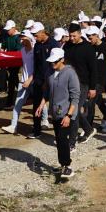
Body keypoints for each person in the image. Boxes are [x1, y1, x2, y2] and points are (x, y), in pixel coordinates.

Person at [36, 49, 78, 180]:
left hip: (66, 113)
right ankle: (62, 164)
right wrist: (42, 104)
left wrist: (69, 116)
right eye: (51, 61)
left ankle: (67, 166)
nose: (52, 64)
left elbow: (75, 97)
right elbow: (47, 92)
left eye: (55, 61)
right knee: (59, 140)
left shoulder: (70, 73)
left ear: (62, 60)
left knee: (62, 139)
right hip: (55, 112)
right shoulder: (50, 72)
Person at [62, 24, 97, 147]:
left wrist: (92, 88)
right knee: (71, 110)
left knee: (74, 112)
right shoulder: (67, 46)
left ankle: (71, 143)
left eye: (74, 36)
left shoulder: (88, 48)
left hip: (83, 83)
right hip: (69, 82)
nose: (71, 38)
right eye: (70, 36)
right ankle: (88, 130)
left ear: (80, 34)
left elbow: (93, 69)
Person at [2, 29, 36, 136]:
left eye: (23, 38)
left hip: (34, 81)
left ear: (29, 39)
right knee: (17, 104)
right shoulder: (22, 50)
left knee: (39, 103)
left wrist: (30, 79)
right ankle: (13, 126)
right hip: (23, 82)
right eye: (20, 38)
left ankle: (43, 122)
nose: (21, 40)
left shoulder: (35, 50)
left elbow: (38, 68)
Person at [28, 24, 55, 139]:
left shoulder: (54, 44)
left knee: (55, 105)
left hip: (52, 79)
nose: (34, 37)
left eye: (36, 34)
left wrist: (49, 79)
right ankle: (36, 130)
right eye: (33, 35)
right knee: (36, 105)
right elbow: (36, 64)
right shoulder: (37, 46)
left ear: (42, 32)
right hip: (39, 80)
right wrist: (33, 78)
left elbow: (56, 64)